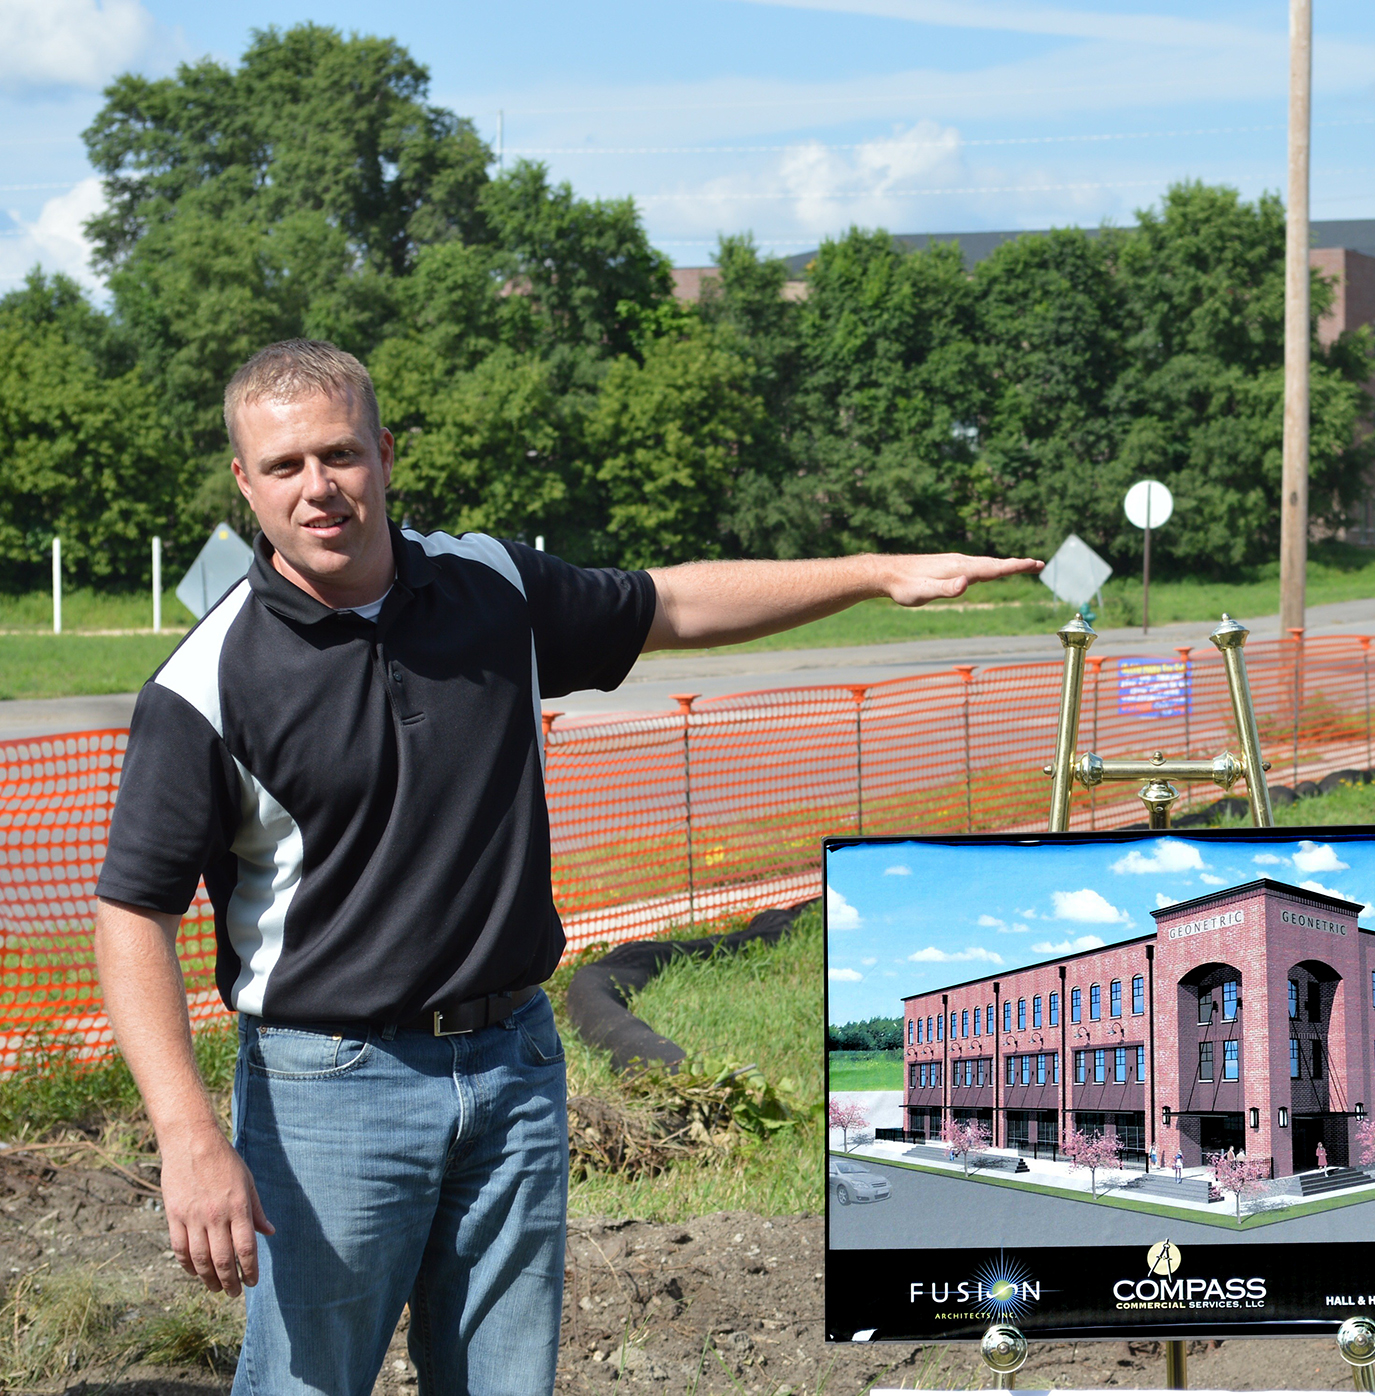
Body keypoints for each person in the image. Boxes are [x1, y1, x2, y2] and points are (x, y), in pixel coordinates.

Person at [92, 339, 1041, 1396]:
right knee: (306, 1384)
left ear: (385, 453)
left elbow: (673, 604)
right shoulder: (205, 684)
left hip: (513, 1066)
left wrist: (872, 575)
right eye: (284, 467)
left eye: (340, 454)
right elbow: (133, 912)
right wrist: (186, 1137)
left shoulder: (492, 587)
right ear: (243, 482)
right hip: (332, 1089)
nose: (318, 488)